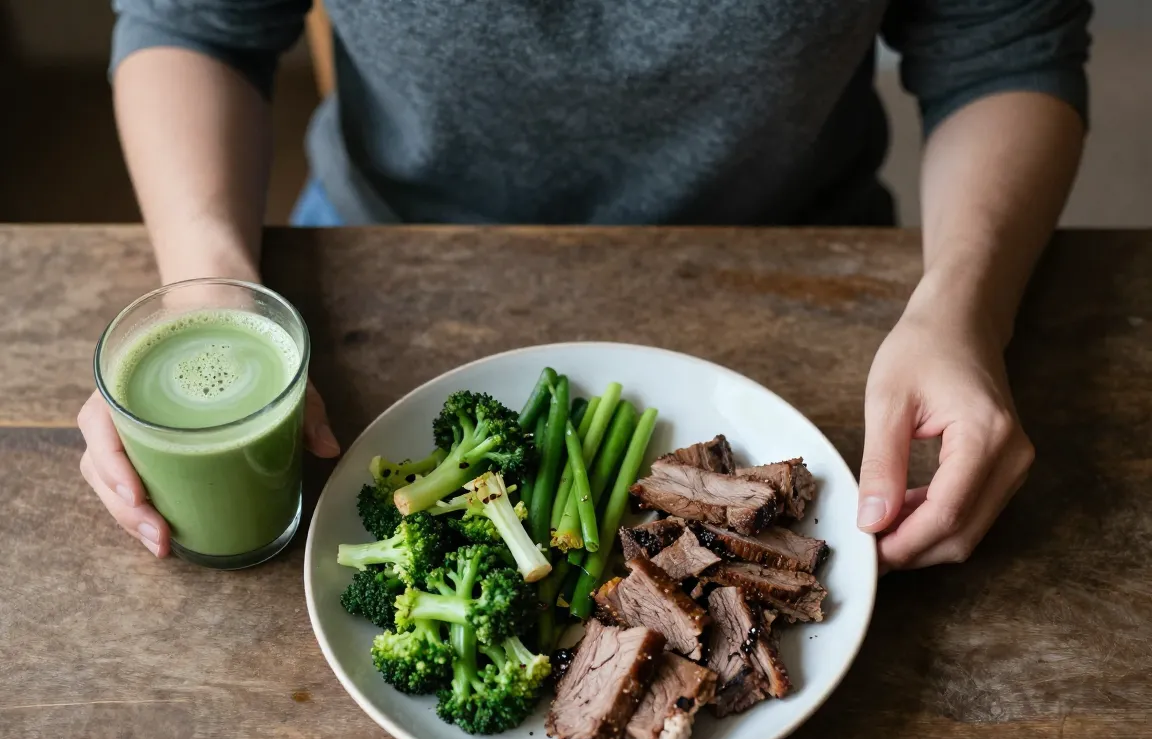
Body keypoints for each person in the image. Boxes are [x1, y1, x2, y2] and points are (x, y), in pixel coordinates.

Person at [80, 0, 1091, 571]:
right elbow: (193, 26)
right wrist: (201, 294)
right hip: (372, 278)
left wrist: (966, 304)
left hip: (816, 283)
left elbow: (1006, 51)